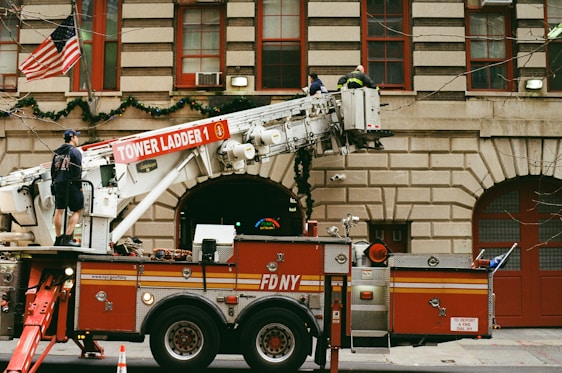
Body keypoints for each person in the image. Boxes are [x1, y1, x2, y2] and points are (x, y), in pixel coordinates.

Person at [51, 129, 83, 247]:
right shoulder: (75, 152)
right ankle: (68, 237)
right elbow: (77, 170)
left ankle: (58, 238)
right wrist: (79, 186)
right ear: (72, 138)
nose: (78, 139)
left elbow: (52, 170)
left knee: (59, 210)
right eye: (77, 137)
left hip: (59, 183)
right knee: (78, 209)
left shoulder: (57, 153)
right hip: (71, 183)